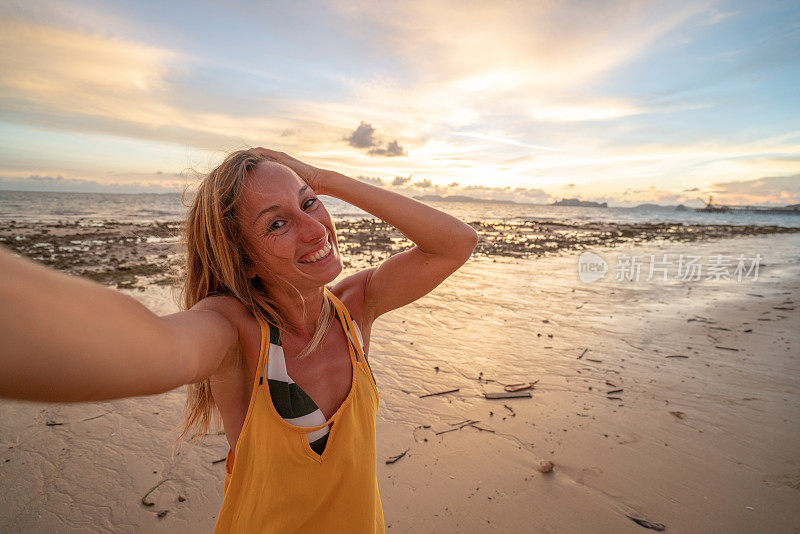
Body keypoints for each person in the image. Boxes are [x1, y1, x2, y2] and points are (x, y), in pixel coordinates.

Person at [0, 147, 478, 533]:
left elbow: (455, 243)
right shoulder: (233, 332)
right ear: (243, 260)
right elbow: (150, 346)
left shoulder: (356, 306)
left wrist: (320, 177)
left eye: (309, 203)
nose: (315, 230)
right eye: (277, 223)